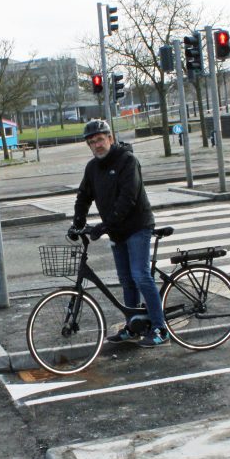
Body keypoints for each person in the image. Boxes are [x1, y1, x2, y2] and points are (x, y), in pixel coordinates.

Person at [71, 119, 168, 348]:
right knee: (126, 281)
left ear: (110, 138)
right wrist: (78, 222)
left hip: (137, 226)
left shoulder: (127, 161)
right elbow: (83, 196)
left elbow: (128, 197)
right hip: (117, 232)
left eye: (100, 139)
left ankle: (160, 328)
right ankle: (132, 325)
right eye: (92, 142)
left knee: (140, 275)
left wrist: (105, 225)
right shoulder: (92, 168)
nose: (97, 145)